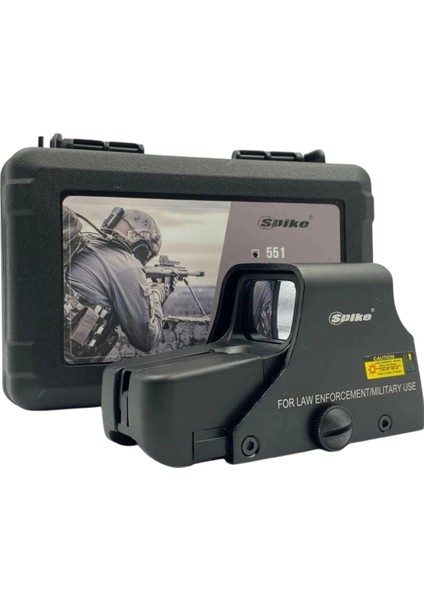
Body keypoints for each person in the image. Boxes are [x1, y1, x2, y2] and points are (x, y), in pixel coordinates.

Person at [63, 206, 173, 363]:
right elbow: (146, 339)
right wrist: (158, 293)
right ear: (141, 247)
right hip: (67, 362)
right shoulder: (128, 266)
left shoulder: (88, 243)